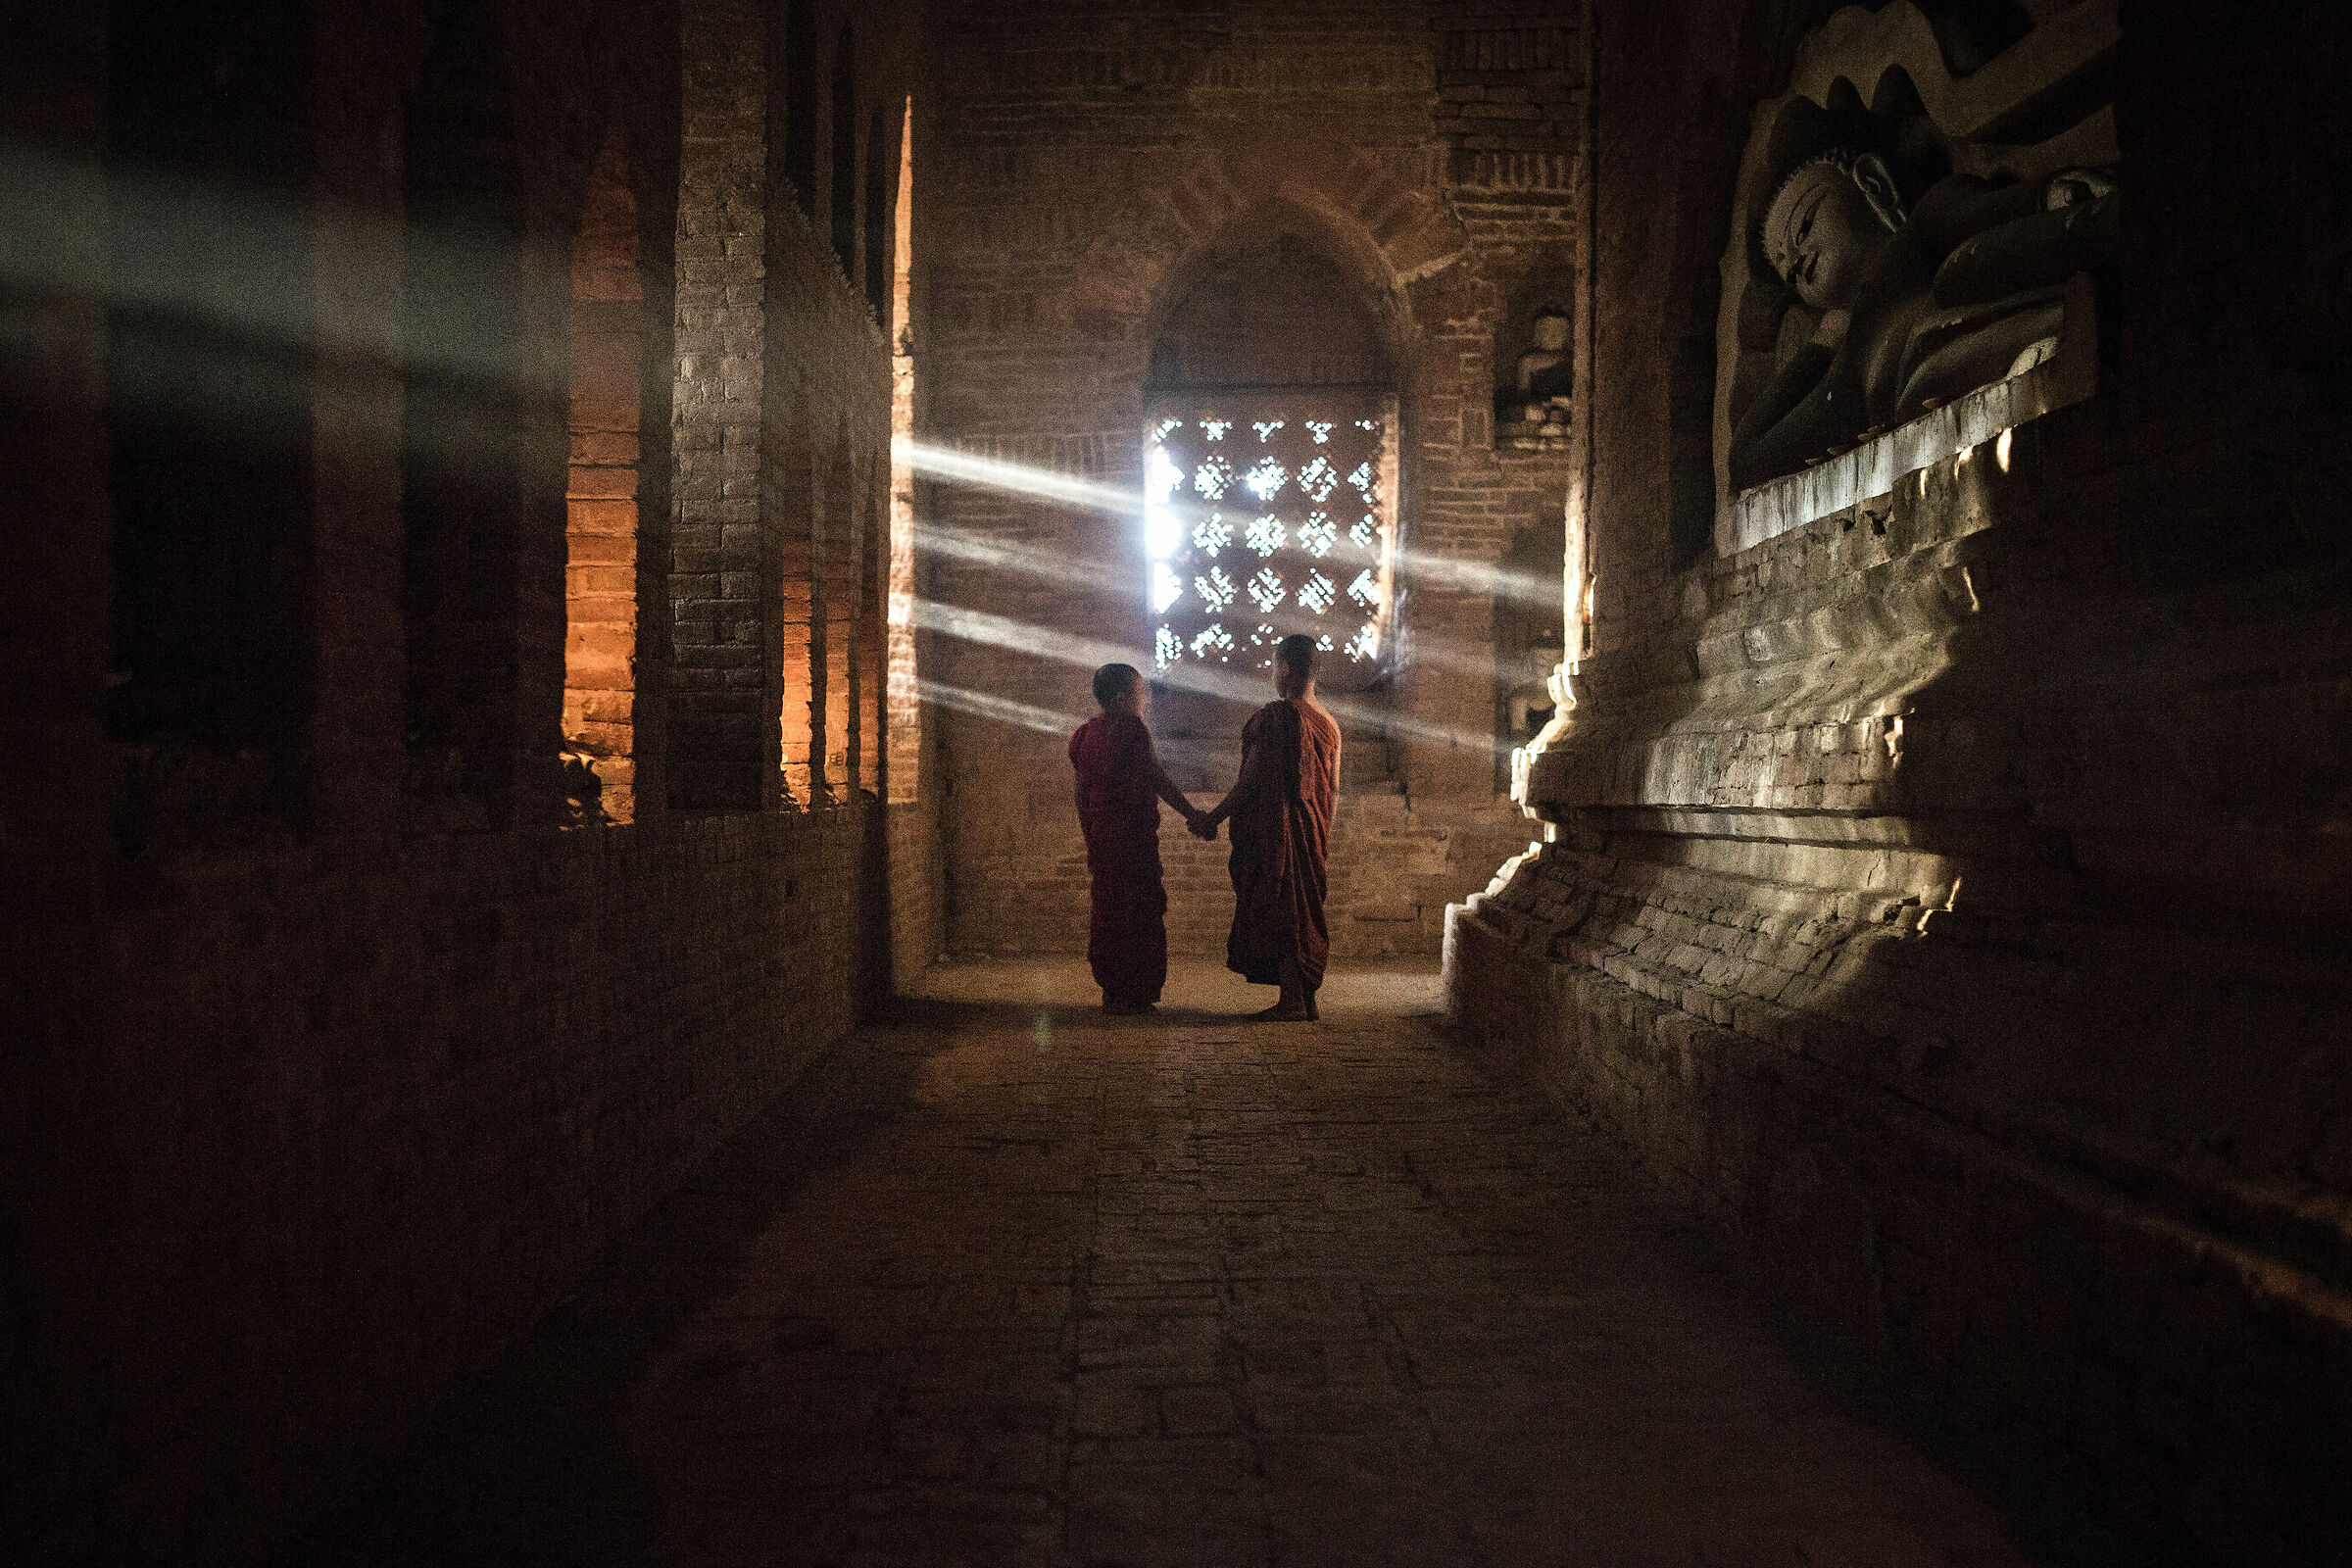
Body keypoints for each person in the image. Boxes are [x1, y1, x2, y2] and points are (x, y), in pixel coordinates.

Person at [1191, 634, 1341, 1021]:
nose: (1274, 675)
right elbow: (1333, 790)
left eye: (1275, 667)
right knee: (1303, 907)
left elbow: (1251, 780)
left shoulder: (1277, 718)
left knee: (1285, 906)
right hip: (1312, 830)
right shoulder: (1330, 724)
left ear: (1286, 669)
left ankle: (1292, 1002)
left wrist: (1212, 818)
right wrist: (1321, 837)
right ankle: (1304, 999)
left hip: (1280, 832)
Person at [1069, 663, 1207, 1015]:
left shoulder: (1084, 735)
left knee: (1109, 913)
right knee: (1139, 911)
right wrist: (1192, 813)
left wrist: (1090, 840)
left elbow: (1080, 796)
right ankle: (1136, 992)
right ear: (1121, 699)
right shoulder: (1132, 731)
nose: (1144, 701)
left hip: (1103, 839)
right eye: (1139, 694)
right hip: (1132, 840)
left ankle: (1112, 989)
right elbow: (1156, 778)